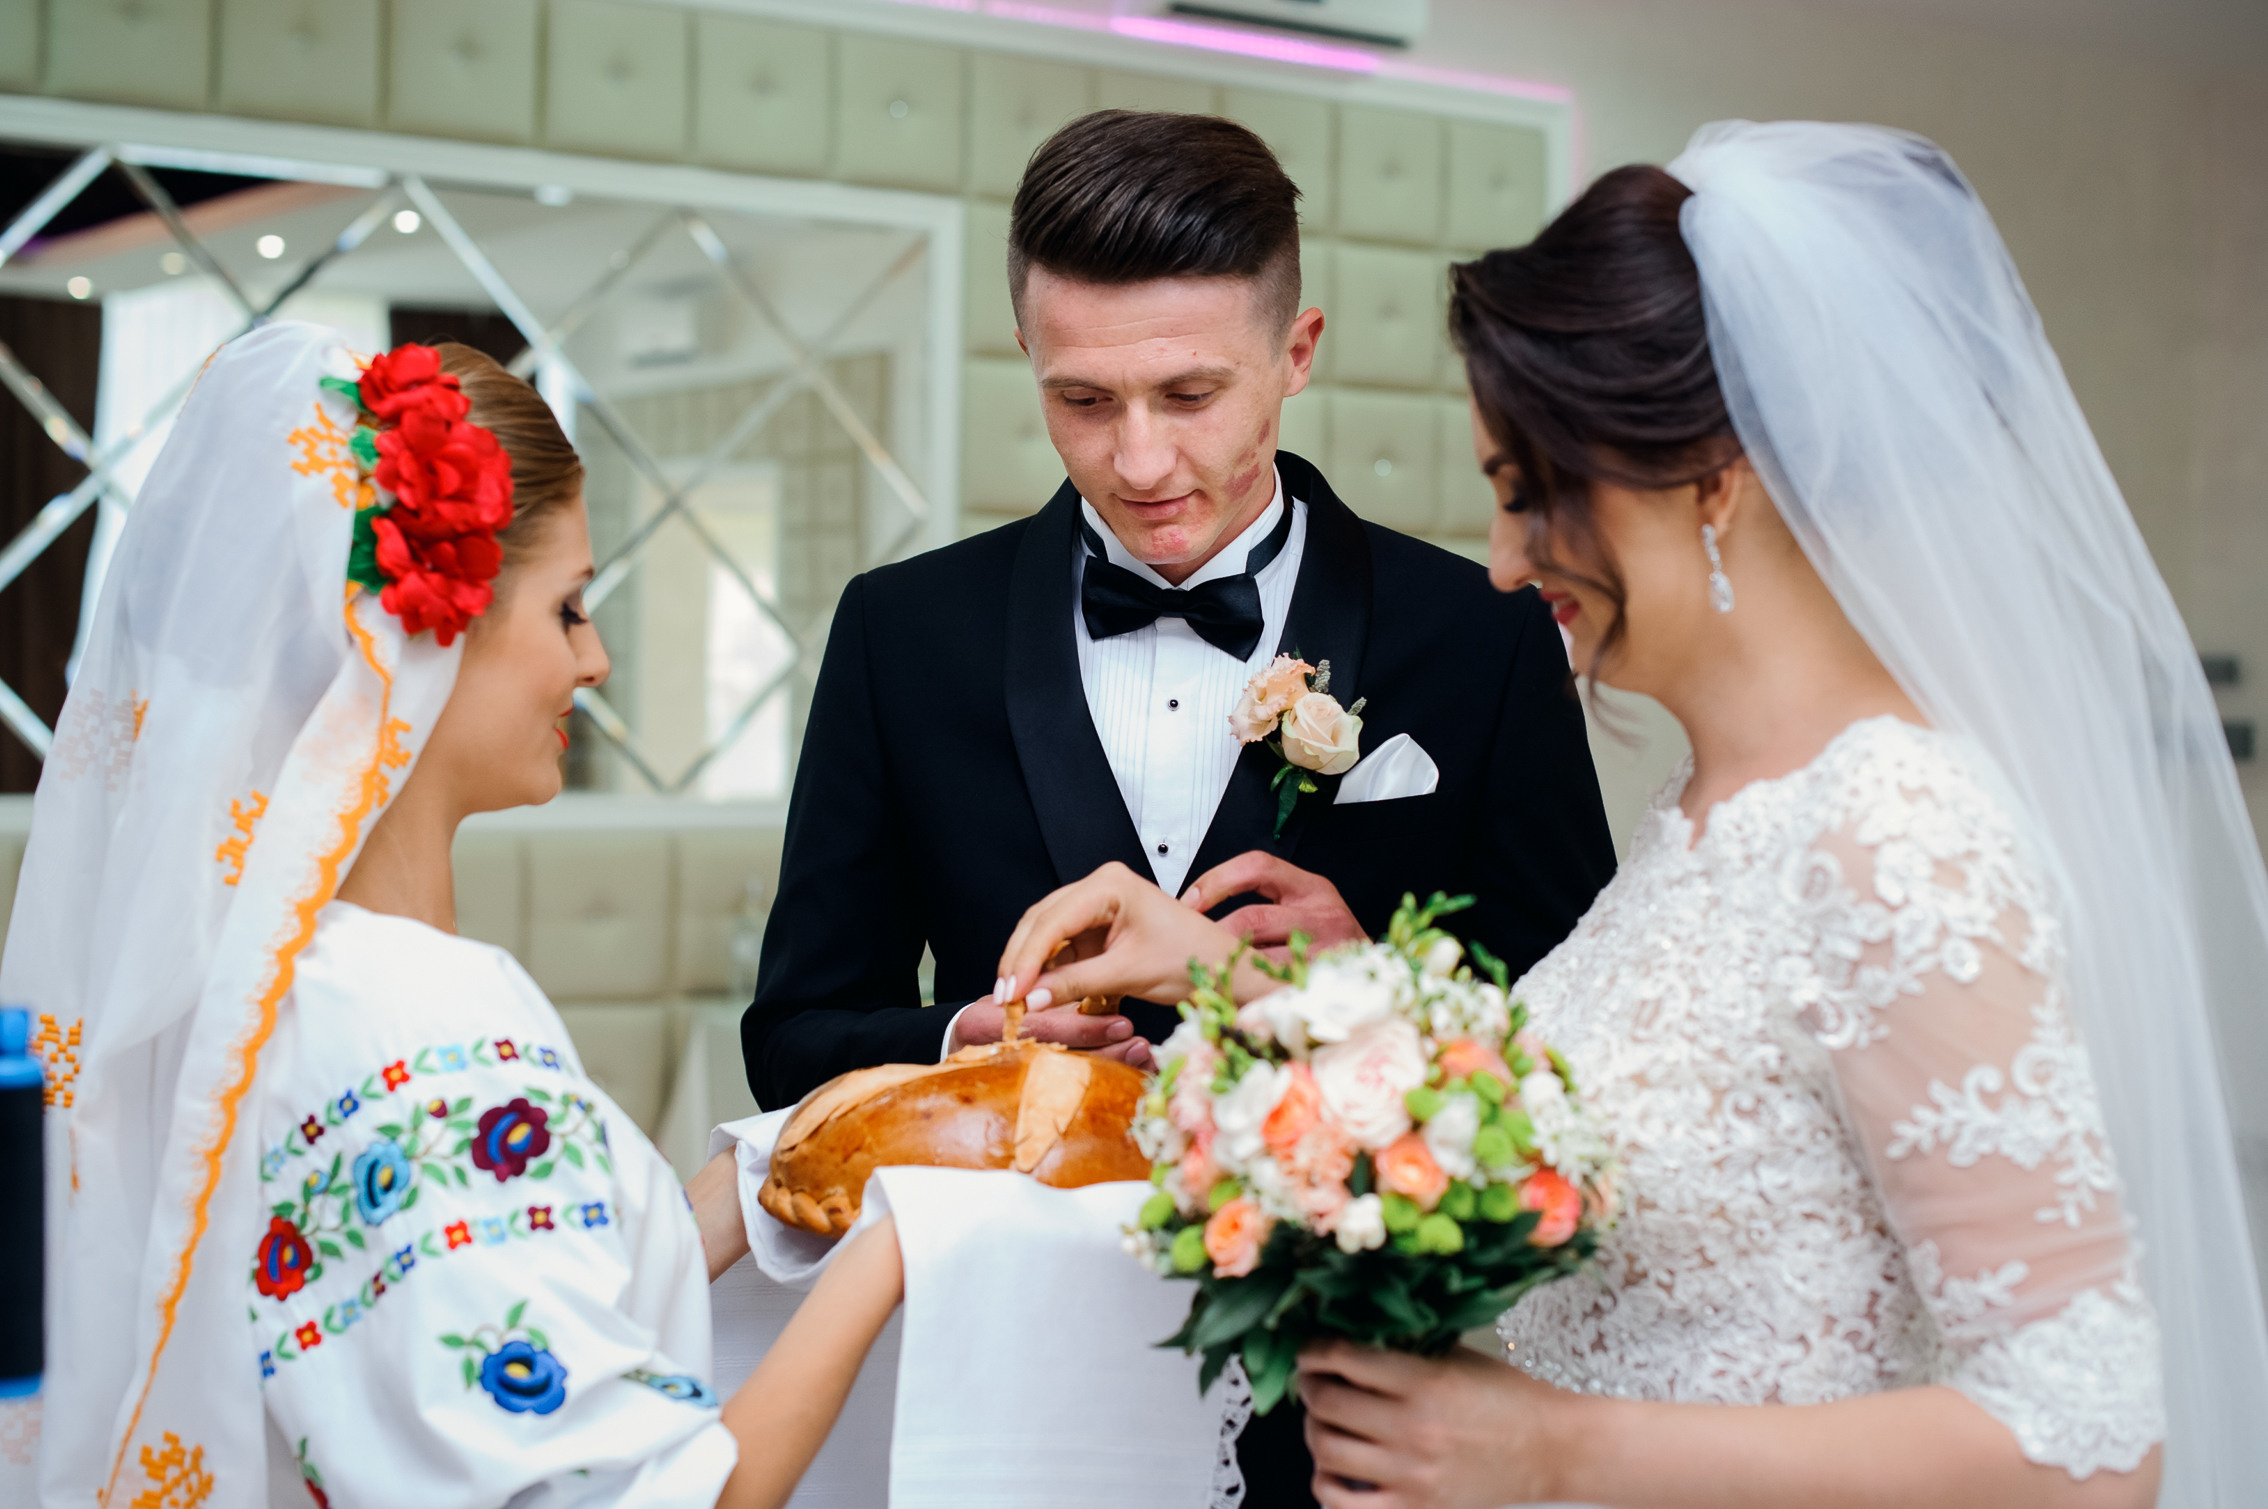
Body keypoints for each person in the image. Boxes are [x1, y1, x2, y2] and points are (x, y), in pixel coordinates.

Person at [994, 121, 2268, 1508]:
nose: (1501, 562)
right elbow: (1603, 1116)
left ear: (1711, 480)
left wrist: (1550, 1447)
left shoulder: (1896, 833)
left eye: (1530, 494)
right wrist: (1228, 969)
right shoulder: (1707, 812)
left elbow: (2091, 1444)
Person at [739, 107, 1616, 1502]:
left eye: (1190, 394)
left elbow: (1583, 1044)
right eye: (1083, 401)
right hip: (997, 1406)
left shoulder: (1482, 634)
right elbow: (792, 1035)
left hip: (1346, 1414)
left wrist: (1366, 976)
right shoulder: (902, 633)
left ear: (1298, 352)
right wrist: (967, 1040)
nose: (1139, 461)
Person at [6, 325, 901, 1509]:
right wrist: (905, 1234)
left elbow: (491, 1300)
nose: (597, 660)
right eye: (569, 608)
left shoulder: (269, 986)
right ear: (419, 633)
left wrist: (800, 1154)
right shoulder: (423, 1025)